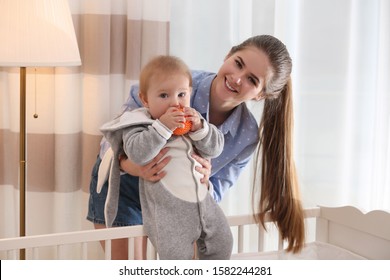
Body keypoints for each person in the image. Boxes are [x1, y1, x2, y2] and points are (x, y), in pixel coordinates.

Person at [87, 34, 305, 259]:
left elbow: (217, 189)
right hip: (126, 189)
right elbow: (111, 143)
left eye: (252, 80)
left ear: (261, 95)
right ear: (228, 55)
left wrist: (206, 179)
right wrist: (134, 167)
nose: (237, 79)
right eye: (238, 63)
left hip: (176, 200)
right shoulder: (173, 82)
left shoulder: (246, 134)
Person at [98, 55, 233, 259]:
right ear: (145, 99)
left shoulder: (194, 123)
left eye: (181, 94)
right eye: (163, 95)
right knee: (175, 255)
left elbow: (215, 148)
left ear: (190, 93)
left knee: (223, 244)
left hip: (201, 202)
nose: (175, 103)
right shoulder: (139, 124)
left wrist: (201, 128)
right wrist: (163, 127)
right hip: (164, 209)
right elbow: (138, 152)